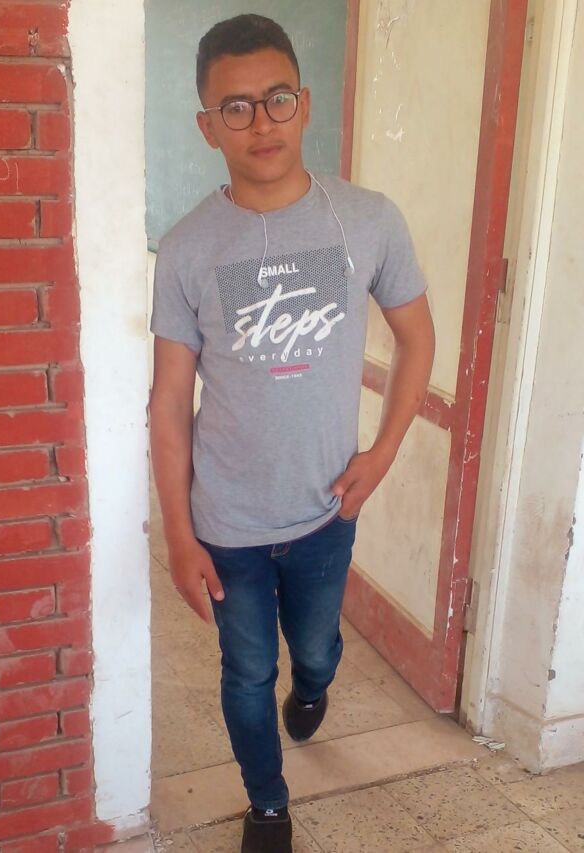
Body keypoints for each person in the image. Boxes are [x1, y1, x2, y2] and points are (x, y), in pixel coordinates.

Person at [148, 13, 435, 853]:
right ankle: (267, 804)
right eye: (235, 108)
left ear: (303, 104)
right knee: (246, 670)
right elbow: (170, 401)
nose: (261, 122)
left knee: (313, 647)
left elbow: (417, 339)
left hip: (324, 509)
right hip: (227, 520)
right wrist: (178, 534)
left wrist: (383, 453)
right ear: (208, 126)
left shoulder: (368, 221)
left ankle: (315, 681)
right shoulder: (188, 248)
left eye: (276, 98)